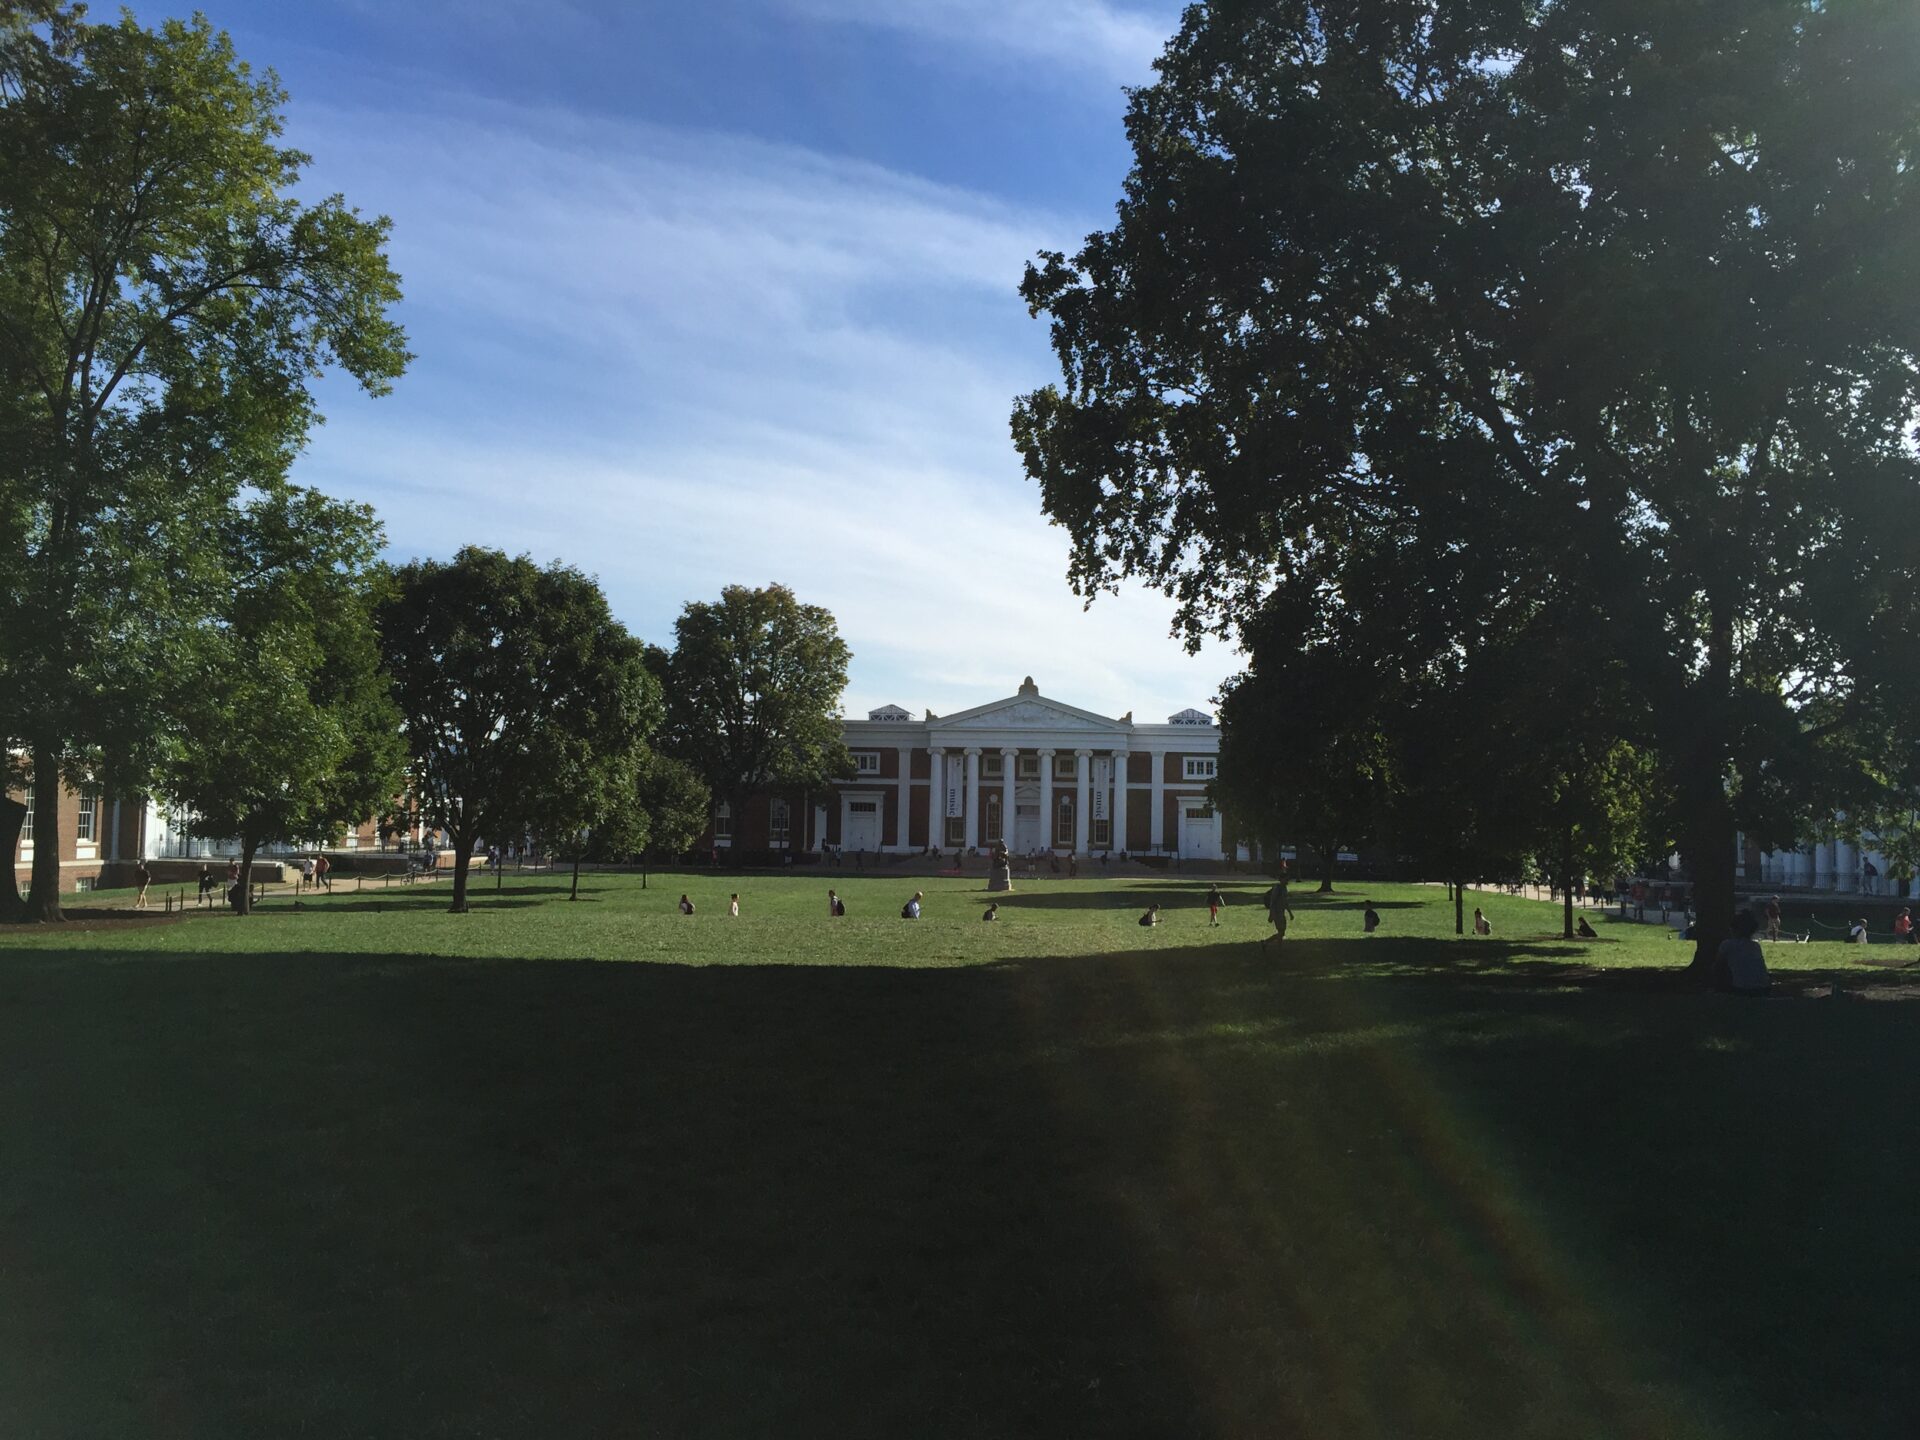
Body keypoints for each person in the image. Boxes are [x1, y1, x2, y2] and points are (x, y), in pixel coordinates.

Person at [1719, 910, 1771, 995]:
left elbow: (1718, 966)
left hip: (1741, 989)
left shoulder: (1727, 944)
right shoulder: (1755, 946)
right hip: (1764, 988)